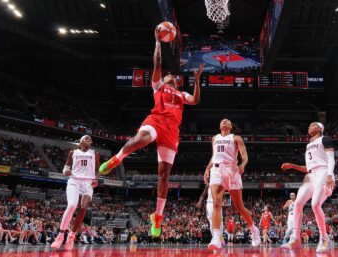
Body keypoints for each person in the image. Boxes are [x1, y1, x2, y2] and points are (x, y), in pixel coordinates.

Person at [99, 26, 204, 237]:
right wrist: (158, 42)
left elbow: (196, 100)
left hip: (172, 131)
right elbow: (157, 63)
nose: (171, 77)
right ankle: (116, 159)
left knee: (164, 176)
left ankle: (157, 217)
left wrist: (198, 80)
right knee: (140, 140)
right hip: (156, 120)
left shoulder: (182, 94)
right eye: (168, 76)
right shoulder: (158, 86)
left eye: (173, 77)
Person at [203, 119, 261, 250]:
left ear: (230, 126)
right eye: (222, 121)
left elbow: (244, 155)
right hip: (216, 170)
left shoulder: (236, 138)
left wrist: (242, 164)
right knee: (216, 203)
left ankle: (254, 229)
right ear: (219, 125)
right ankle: (216, 237)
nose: (224, 121)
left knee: (239, 206)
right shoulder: (214, 138)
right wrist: (207, 169)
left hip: (231, 170)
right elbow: (214, 156)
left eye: (227, 121)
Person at [281, 122, 335, 252]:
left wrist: (329, 174)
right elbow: (308, 168)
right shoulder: (309, 145)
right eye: (309, 125)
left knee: (315, 205)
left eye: (312, 125)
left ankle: (324, 238)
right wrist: (293, 166)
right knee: (298, 203)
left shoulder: (325, 139)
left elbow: (331, 159)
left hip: (324, 172)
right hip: (312, 175)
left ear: (320, 129)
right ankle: (295, 238)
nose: (309, 126)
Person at [51, 135, 100, 250]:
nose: (88, 139)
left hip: (88, 183)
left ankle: (72, 236)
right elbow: (65, 170)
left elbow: (97, 169)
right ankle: (61, 235)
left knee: (83, 207)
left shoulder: (95, 153)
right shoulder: (73, 152)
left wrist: (96, 179)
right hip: (74, 181)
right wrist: (66, 172)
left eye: (90, 139)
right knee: (72, 205)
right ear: (81, 141)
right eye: (86, 138)